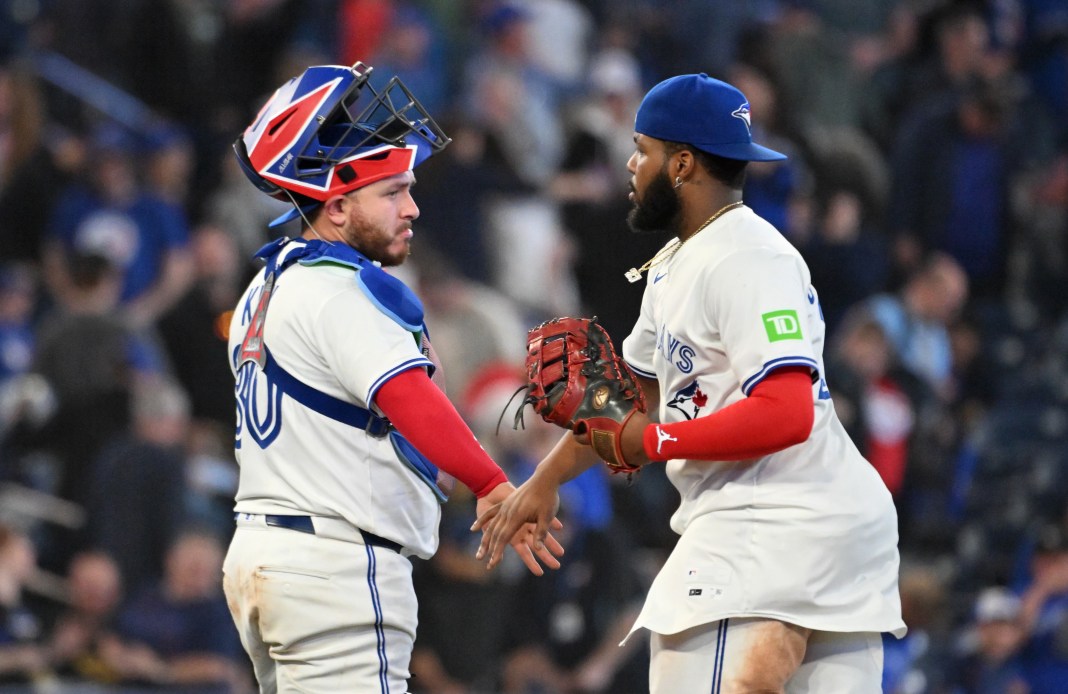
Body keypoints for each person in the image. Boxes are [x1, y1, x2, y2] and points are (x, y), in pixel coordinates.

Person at [475, 72, 906, 692]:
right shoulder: (679, 260)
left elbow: (787, 414)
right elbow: (631, 400)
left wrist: (654, 443)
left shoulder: (749, 259)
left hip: (775, 522)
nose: (631, 163)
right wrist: (544, 482)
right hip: (813, 529)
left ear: (681, 165)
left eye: (642, 149)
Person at [221, 61, 562, 693]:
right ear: (340, 204)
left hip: (267, 554)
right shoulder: (340, 289)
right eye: (393, 192)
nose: (413, 207)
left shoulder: (263, 287)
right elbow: (408, 395)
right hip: (336, 567)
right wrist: (490, 484)